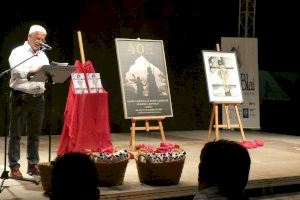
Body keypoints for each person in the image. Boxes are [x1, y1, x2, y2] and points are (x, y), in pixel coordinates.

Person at [8, 24, 50, 178]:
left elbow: (45, 73)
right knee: (15, 135)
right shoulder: (18, 52)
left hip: (38, 98)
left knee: (34, 135)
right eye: (38, 39)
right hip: (21, 97)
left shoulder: (42, 55)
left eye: (43, 39)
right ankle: (14, 167)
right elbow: (16, 72)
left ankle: (32, 165)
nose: (40, 42)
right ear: (29, 36)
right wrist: (32, 72)